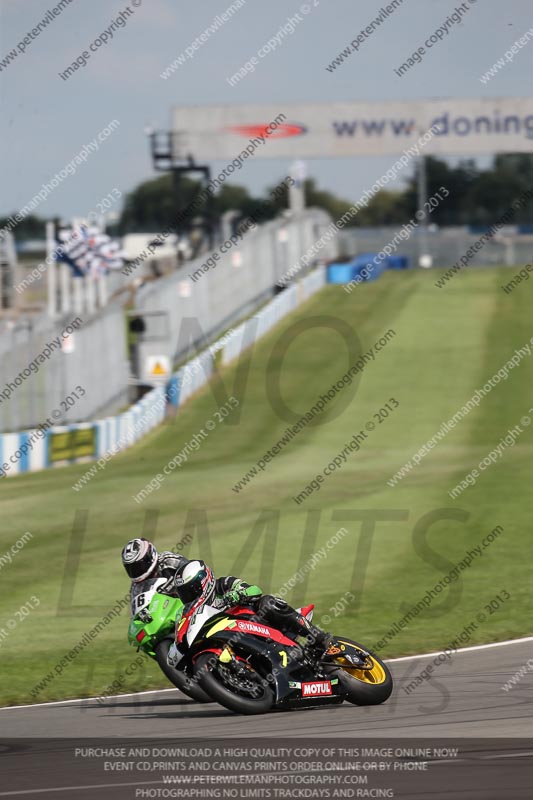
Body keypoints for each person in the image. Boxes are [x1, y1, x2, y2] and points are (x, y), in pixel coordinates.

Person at [167, 559, 334, 667]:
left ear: (204, 582)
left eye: (192, 590)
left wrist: (235, 594)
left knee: (268, 602)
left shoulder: (223, 583)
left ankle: (319, 637)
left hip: (257, 621)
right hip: (234, 637)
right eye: (185, 594)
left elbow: (255, 590)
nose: (190, 596)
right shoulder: (196, 613)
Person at [121, 538, 188, 600]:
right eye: (131, 568)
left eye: (138, 565)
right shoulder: (135, 587)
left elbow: (190, 568)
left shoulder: (169, 560)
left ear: (150, 557)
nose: (136, 570)